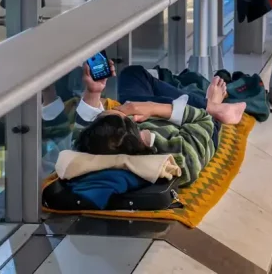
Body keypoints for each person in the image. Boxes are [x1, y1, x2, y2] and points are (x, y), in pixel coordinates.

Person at [41, 62, 247, 187]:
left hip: (150, 118)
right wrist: (150, 107)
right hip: (193, 122)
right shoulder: (181, 160)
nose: (117, 106)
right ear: (135, 126)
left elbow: (80, 135)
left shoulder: (99, 145)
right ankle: (215, 105)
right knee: (207, 111)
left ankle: (192, 98)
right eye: (120, 111)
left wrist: (94, 91)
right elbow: (201, 120)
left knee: (132, 73)